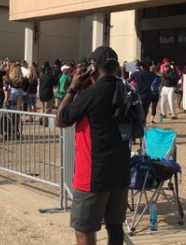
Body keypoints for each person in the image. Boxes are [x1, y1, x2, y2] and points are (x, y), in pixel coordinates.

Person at [56, 46, 130, 245]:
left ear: (93, 68)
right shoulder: (125, 89)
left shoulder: (90, 94)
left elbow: (61, 120)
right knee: (115, 226)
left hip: (92, 174)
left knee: (84, 229)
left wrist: (73, 88)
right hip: (121, 170)